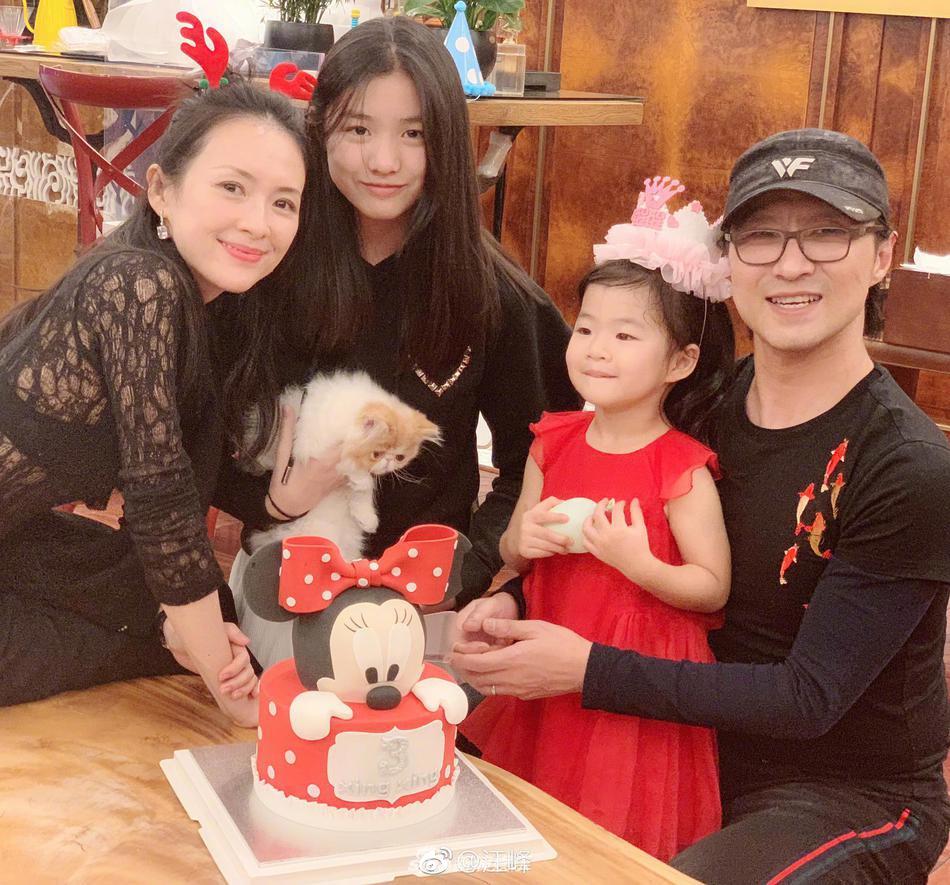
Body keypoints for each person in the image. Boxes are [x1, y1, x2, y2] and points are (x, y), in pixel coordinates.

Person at [453, 129, 950, 882]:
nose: (790, 263)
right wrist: (514, 602)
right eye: (761, 236)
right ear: (729, 261)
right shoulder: (697, 406)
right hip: (670, 731)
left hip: (837, 788)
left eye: (827, 233)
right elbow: (619, 546)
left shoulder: (907, 465)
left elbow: (808, 697)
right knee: (435, 798)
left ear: (882, 256)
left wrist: (587, 670)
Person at [213, 17, 578, 661]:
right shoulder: (265, 267)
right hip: (280, 588)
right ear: (319, 126)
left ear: (448, 141)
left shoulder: (495, 294)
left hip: (427, 610)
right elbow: (193, 438)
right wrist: (269, 503)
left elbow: (546, 451)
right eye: (359, 129)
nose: (384, 161)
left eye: (414, 134)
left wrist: (473, 564)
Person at [0, 81, 313, 727]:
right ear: (161, 190)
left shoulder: (211, 302)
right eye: (232, 187)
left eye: (283, 201)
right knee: (165, 644)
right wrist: (223, 679)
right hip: (19, 549)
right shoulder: (137, 282)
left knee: (192, 619)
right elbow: (160, 496)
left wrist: (185, 628)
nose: (259, 222)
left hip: (20, 543)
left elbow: (185, 484)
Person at [457, 178, 735, 860]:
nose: (596, 348)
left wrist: (639, 563)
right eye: (585, 328)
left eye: (624, 334)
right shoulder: (552, 442)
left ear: (681, 361)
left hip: (636, 688)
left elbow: (712, 588)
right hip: (549, 668)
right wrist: (521, 542)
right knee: (538, 825)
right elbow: (516, 553)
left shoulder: (682, 467)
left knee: (612, 835)